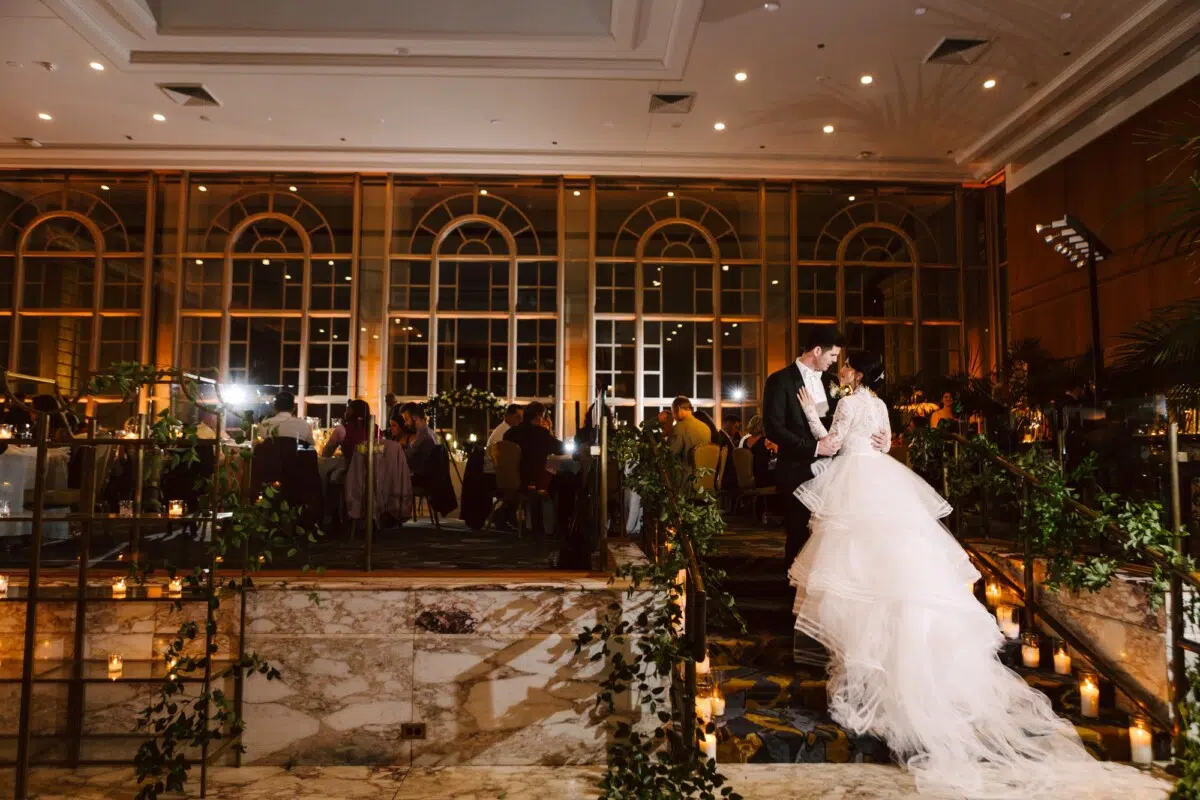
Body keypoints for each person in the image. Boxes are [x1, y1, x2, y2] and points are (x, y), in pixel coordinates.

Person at [787, 349, 1109, 797]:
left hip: (856, 481)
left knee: (859, 571)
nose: (841, 371)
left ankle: (871, 662)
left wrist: (809, 414)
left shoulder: (848, 401)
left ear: (855, 372)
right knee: (898, 565)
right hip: (884, 477)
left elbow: (834, 443)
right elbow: (883, 442)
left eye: (846, 366)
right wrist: (871, 443)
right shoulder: (879, 404)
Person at [763, 325, 889, 567]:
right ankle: (795, 597)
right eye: (832, 356)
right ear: (818, 351)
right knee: (799, 536)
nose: (835, 362)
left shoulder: (835, 383)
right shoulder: (780, 380)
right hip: (799, 470)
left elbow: (849, 423)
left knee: (833, 540)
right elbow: (773, 428)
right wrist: (814, 449)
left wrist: (881, 439)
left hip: (838, 474)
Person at [398, 402, 438, 483]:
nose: (405, 424)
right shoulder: (428, 432)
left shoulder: (425, 437)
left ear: (415, 417)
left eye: (406, 419)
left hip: (420, 479)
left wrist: (398, 450)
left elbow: (413, 462)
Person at [667, 396, 710, 470]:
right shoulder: (705, 427)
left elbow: (671, 454)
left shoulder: (679, 427)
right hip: (705, 476)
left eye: (673, 412)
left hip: (687, 477)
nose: (674, 417)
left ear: (678, 409)